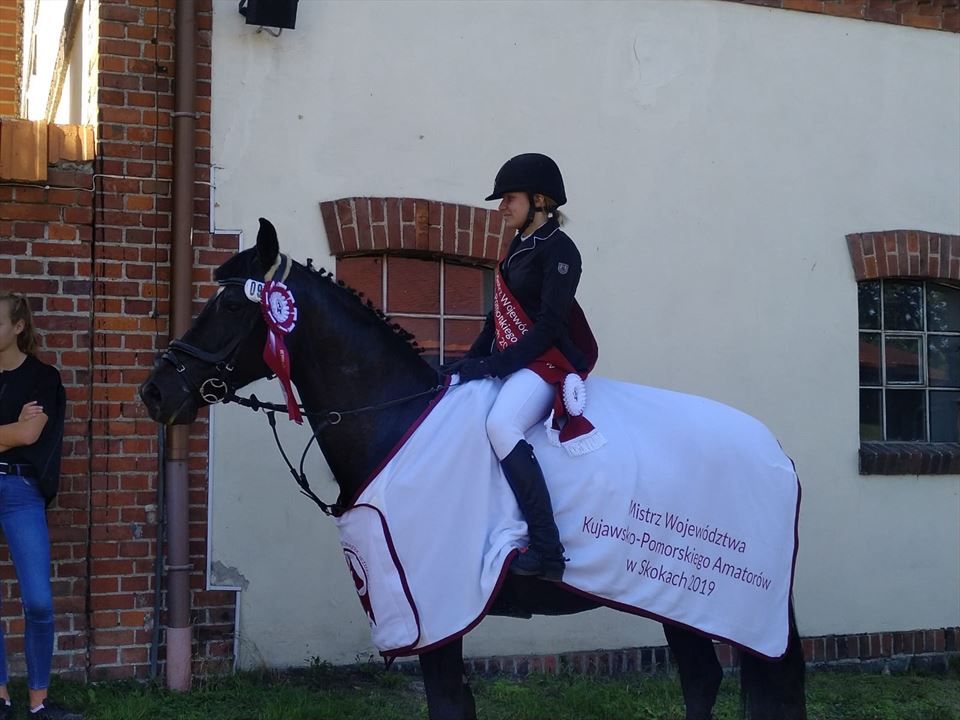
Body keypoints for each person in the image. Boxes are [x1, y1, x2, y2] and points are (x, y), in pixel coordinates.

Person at [443, 153, 599, 582]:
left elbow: (548, 326)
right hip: (516, 360)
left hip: (546, 363)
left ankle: (548, 549)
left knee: (501, 425)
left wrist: (495, 365)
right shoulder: (518, 247)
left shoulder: (561, 250)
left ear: (540, 201)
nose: (502, 207)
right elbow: (496, 318)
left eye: (509, 198)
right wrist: (468, 362)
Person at [0, 292, 75, 720]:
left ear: (18, 327)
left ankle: (38, 702)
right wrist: (12, 427)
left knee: (39, 601)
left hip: (21, 491)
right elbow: (19, 432)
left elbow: (30, 437)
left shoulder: (43, 378)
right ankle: (1, 698)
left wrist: (16, 432)